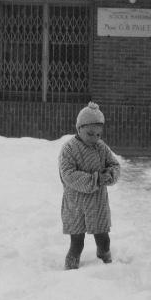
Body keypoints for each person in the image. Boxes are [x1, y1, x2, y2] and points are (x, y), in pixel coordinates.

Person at [58, 102, 121, 270]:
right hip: (75, 204)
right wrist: (95, 180)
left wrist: (110, 174)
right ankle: (70, 268)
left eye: (98, 134)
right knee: (77, 242)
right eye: (90, 134)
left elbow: (115, 164)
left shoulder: (101, 148)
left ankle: (106, 263)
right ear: (79, 129)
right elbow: (68, 175)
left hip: (97, 203)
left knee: (103, 238)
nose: (95, 138)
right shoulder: (69, 149)